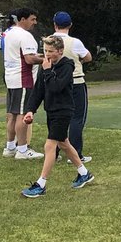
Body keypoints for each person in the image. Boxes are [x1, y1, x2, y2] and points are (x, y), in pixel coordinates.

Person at [20, 36, 94, 197]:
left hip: (64, 110)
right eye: (45, 51)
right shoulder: (45, 66)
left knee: (50, 146)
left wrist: (47, 71)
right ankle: (84, 173)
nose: (47, 54)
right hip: (51, 111)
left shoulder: (67, 65)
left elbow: (56, 87)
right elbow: (39, 90)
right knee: (64, 143)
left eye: (51, 51)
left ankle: (41, 184)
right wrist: (30, 110)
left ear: (60, 51)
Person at [2, 8, 44, 161]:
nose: (34, 23)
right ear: (22, 19)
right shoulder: (25, 36)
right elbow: (29, 59)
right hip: (23, 79)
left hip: (11, 78)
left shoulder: (9, 33)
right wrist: (48, 60)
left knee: (12, 114)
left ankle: (10, 147)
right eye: (32, 19)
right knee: (23, 114)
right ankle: (22, 150)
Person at [52, 11, 92, 163]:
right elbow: (88, 57)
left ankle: (54, 152)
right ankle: (75, 154)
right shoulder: (74, 42)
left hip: (55, 83)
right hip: (75, 82)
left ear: (55, 25)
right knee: (76, 118)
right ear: (70, 25)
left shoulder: (49, 41)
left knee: (57, 117)